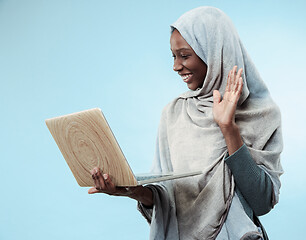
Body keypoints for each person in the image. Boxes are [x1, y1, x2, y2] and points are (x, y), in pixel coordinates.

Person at [88, 6, 283, 240]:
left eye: (185, 55)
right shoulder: (173, 113)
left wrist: (228, 128)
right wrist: (133, 191)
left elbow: (261, 202)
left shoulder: (260, 113)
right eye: (173, 55)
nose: (176, 66)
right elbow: (168, 199)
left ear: (213, 52)